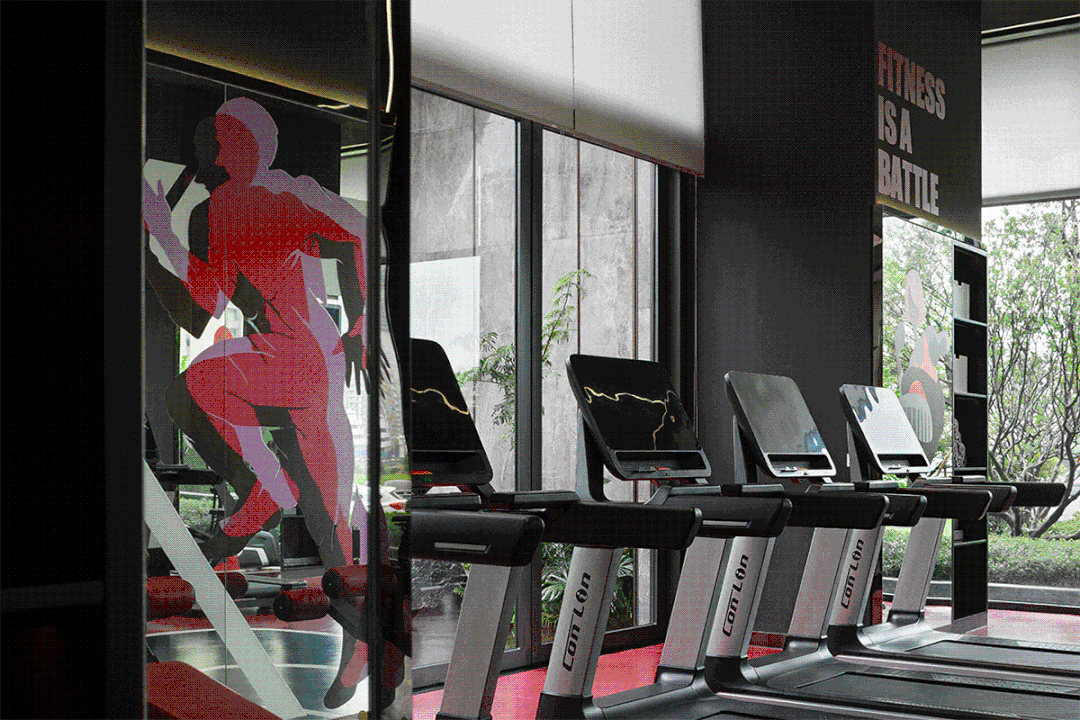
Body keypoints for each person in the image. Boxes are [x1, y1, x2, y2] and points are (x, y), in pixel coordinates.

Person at [143, 96, 392, 709]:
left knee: (192, 389)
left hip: (298, 362)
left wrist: (363, 324)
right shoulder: (237, 207)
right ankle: (361, 651)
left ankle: (262, 492)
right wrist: (159, 235)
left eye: (210, 144)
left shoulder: (253, 201)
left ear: (235, 146)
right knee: (332, 533)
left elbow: (352, 239)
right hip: (303, 365)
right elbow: (204, 303)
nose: (204, 155)